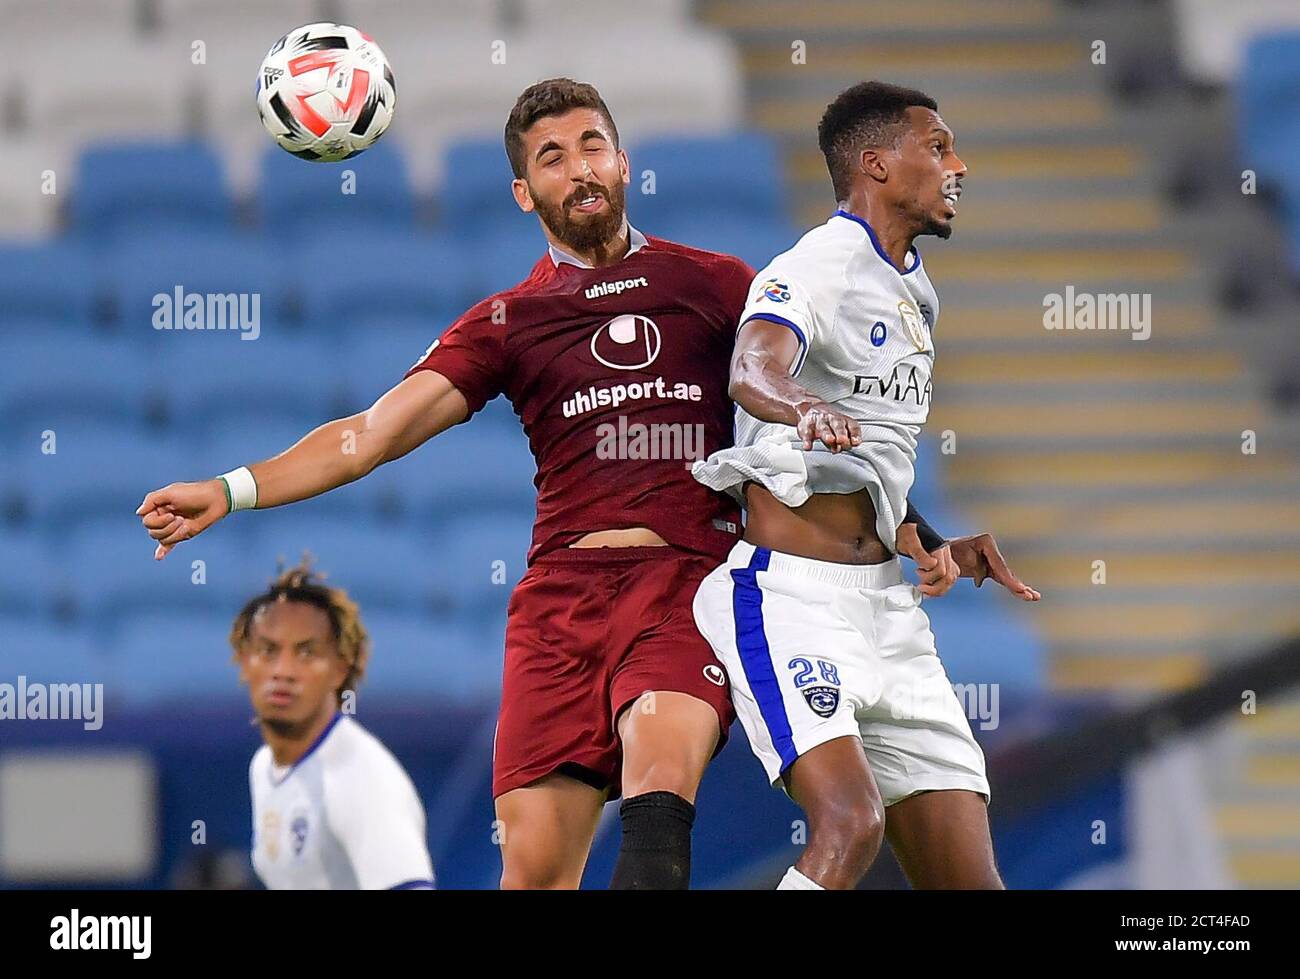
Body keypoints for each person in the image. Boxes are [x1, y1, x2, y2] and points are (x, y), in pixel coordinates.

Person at [137, 77, 752, 889]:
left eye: (593, 146)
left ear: (624, 161)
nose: (580, 170)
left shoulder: (717, 284)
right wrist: (233, 486)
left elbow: (808, 402)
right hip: (562, 602)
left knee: (657, 776)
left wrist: (903, 521)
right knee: (532, 872)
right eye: (553, 158)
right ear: (524, 193)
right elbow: (369, 436)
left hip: (686, 584)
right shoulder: (509, 320)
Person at [692, 81, 1041, 890]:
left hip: (890, 611)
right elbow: (753, 368)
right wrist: (802, 403)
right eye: (940, 146)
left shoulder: (916, 290)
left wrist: (928, 537)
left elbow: (877, 457)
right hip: (793, 603)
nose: (960, 165)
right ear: (877, 164)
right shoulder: (820, 263)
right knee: (850, 824)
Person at [233, 558, 434, 889]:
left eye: (306, 653)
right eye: (268, 651)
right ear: (244, 662)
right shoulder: (263, 767)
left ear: (340, 669)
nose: (283, 671)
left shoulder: (363, 778)